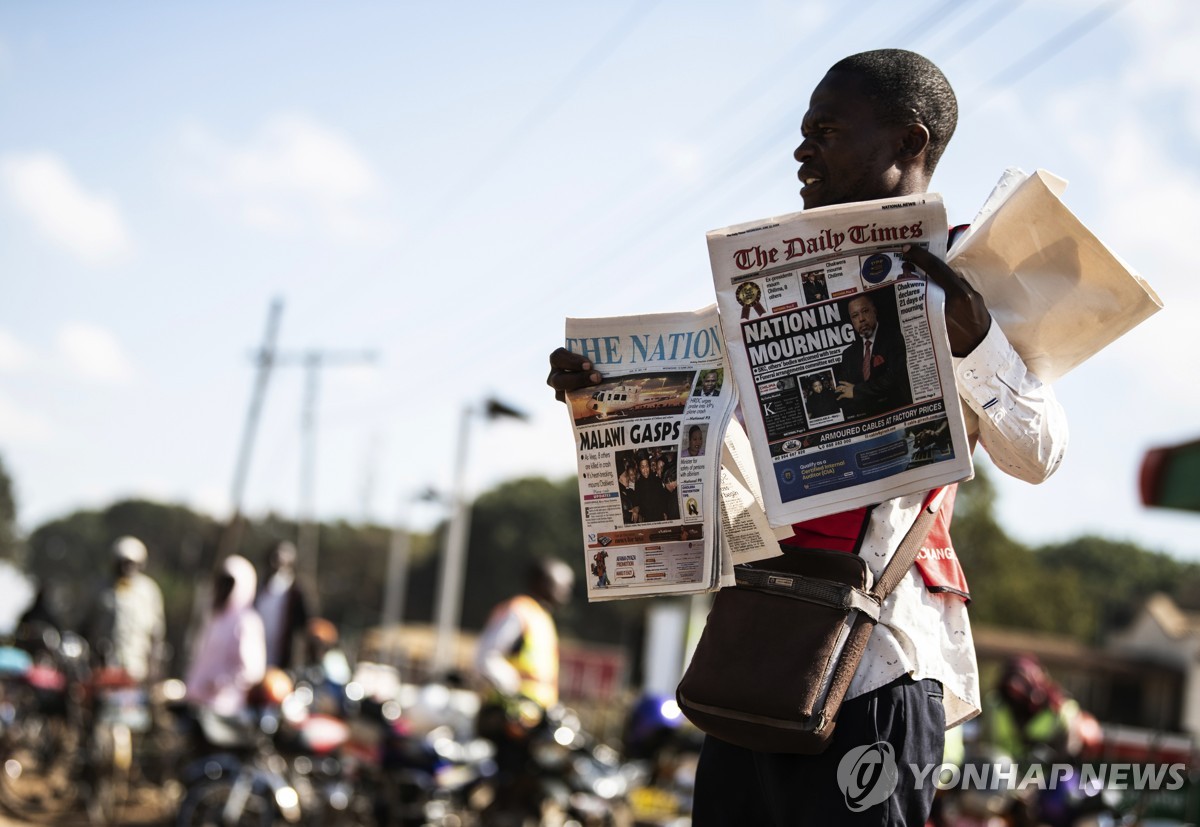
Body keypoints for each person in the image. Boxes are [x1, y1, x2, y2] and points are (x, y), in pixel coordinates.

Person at [547, 48, 1067, 825]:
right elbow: (709, 484)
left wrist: (975, 339)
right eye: (802, 132)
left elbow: (1042, 453)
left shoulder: (972, 275)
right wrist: (610, 404)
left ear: (908, 143)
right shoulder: (759, 294)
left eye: (825, 130)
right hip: (754, 657)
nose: (801, 149)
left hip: (878, 665)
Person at [473, 558, 575, 823]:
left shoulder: (542, 617)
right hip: (509, 720)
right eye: (560, 582)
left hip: (533, 722)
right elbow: (486, 656)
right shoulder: (519, 611)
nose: (566, 589)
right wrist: (515, 693)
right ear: (540, 582)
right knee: (508, 789)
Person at [185, 554, 267, 717]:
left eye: (228, 584)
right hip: (198, 703)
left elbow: (252, 671)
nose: (222, 589)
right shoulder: (214, 618)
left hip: (224, 710)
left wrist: (218, 683)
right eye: (221, 583)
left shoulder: (246, 621)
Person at [87, 535, 166, 683]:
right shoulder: (101, 588)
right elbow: (87, 625)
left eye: (131, 563)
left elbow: (157, 634)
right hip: (105, 669)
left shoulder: (149, 591)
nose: (126, 568)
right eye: (122, 563)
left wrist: (154, 668)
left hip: (137, 671)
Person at [834, 291, 913, 418]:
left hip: (897, 413)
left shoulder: (893, 337)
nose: (861, 319)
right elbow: (842, 395)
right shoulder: (848, 354)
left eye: (865, 311)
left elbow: (894, 378)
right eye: (855, 315)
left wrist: (856, 391)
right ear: (851, 321)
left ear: (874, 311)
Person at [254, 540, 311, 670]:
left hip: (283, 660)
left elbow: (305, 625)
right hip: (258, 655)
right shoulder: (261, 588)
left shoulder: (296, 592)